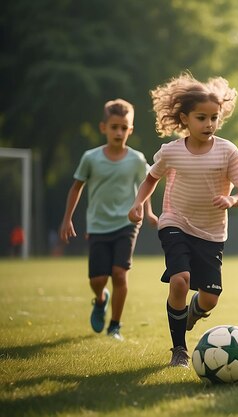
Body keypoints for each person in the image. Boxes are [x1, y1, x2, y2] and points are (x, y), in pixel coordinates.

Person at [128, 72, 238, 367]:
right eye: (201, 117)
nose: (209, 124)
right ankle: (179, 350)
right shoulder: (171, 152)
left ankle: (194, 312)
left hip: (211, 233)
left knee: (209, 298)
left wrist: (232, 199)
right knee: (180, 279)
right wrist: (138, 204)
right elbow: (150, 179)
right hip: (175, 222)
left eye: (214, 117)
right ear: (185, 118)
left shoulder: (227, 150)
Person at [59, 99, 157, 341]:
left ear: (130, 130)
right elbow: (76, 188)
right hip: (98, 225)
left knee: (120, 274)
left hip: (127, 223)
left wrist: (149, 212)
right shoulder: (91, 158)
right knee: (98, 279)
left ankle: (115, 325)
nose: (119, 132)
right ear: (103, 128)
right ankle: (101, 299)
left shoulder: (136, 159)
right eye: (114, 127)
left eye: (124, 127)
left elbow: (147, 184)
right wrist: (67, 219)